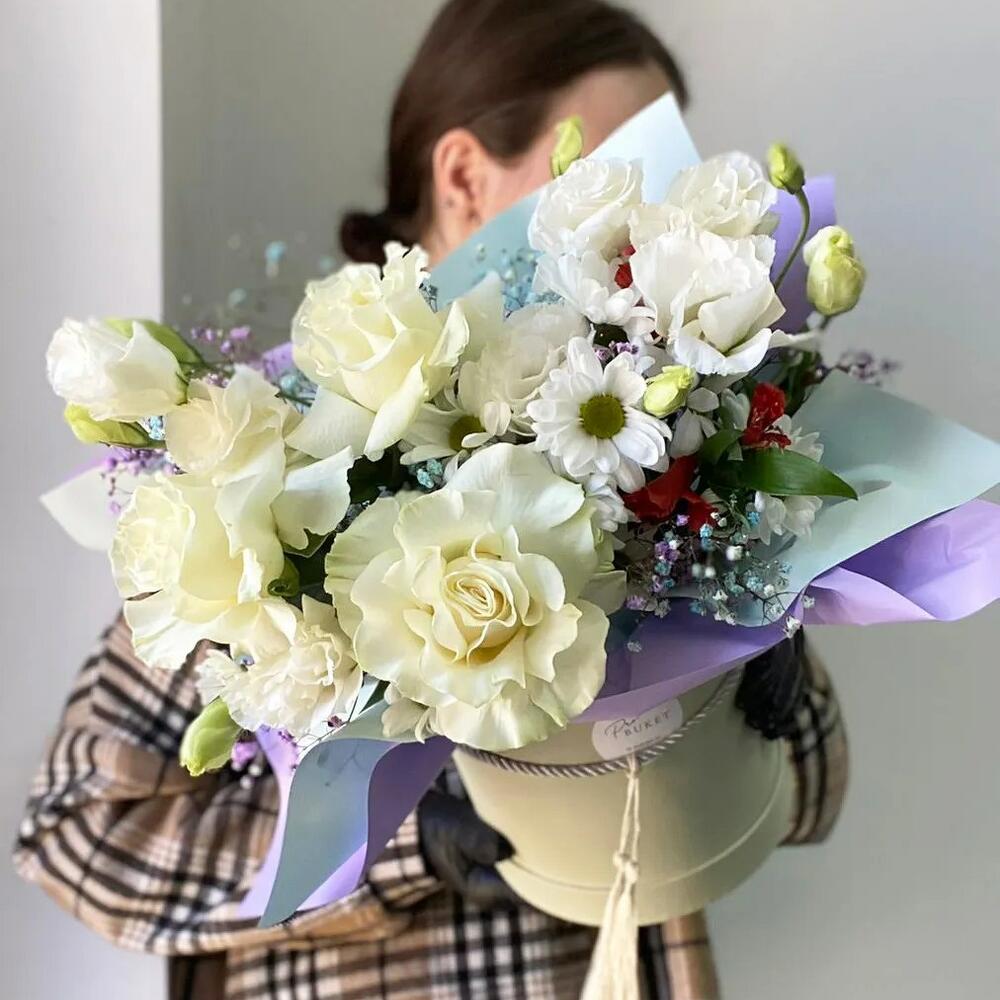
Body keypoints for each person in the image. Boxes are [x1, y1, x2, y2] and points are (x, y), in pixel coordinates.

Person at [14, 2, 848, 998]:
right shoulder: (266, 469)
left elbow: (811, 797)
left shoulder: (662, 439)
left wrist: (761, 677)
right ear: (462, 176)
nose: (653, 214)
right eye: (623, 166)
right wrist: (401, 848)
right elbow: (79, 833)